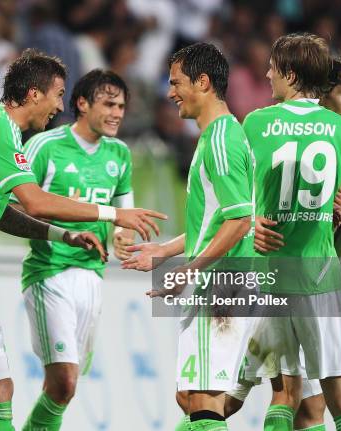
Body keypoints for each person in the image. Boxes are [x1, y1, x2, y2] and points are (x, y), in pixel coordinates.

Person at [0, 48, 167, 431]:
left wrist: (62, 235)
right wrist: (113, 213)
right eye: (57, 95)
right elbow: (35, 200)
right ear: (33, 94)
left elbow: (5, 213)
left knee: (1, 391)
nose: (59, 106)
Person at [240, 34, 341, 431]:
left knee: (284, 392)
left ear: (290, 74)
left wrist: (251, 224)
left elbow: (237, 201)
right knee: (338, 395)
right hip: (318, 274)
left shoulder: (256, 122)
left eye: (273, 68)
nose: (267, 74)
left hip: (268, 272)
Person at [122, 42, 255, 431]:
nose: (169, 92)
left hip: (223, 284)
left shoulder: (220, 141)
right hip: (224, 280)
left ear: (203, 81)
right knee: (192, 398)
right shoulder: (219, 136)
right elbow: (217, 220)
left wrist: (189, 271)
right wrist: (166, 250)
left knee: (203, 399)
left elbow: (240, 222)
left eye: (176, 82)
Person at [13, 69, 135, 431]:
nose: (117, 113)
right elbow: (13, 204)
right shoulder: (44, 146)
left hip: (93, 279)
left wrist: (122, 236)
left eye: (122, 106)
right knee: (64, 379)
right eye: (109, 104)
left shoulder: (120, 154)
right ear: (82, 104)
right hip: (49, 274)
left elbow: (123, 213)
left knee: (63, 387)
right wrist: (61, 223)